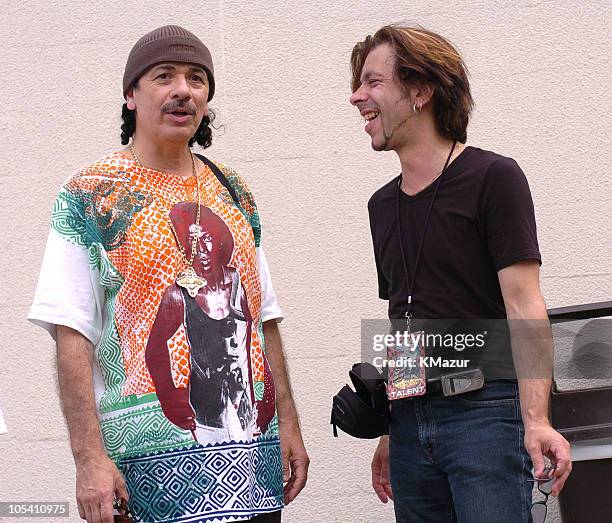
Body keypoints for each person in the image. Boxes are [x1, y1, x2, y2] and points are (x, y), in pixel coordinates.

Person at [29, 25, 308, 523]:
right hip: (147, 474)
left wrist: (288, 421)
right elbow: (70, 330)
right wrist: (88, 459)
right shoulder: (92, 193)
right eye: (164, 76)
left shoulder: (233, 188)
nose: (184, 89)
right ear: (131, 95)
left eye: (197, 79)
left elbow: (264, 317)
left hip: (253, 462)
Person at [349, 25, 571, 522]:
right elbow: (406, 319)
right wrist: (390, 428)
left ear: (421, 91)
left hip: (486, 415)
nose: (356, 97)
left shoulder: (495, 178)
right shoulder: (381, 205)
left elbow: (523, 304)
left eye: (373, 82)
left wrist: (536, 420)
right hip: (411, 424)